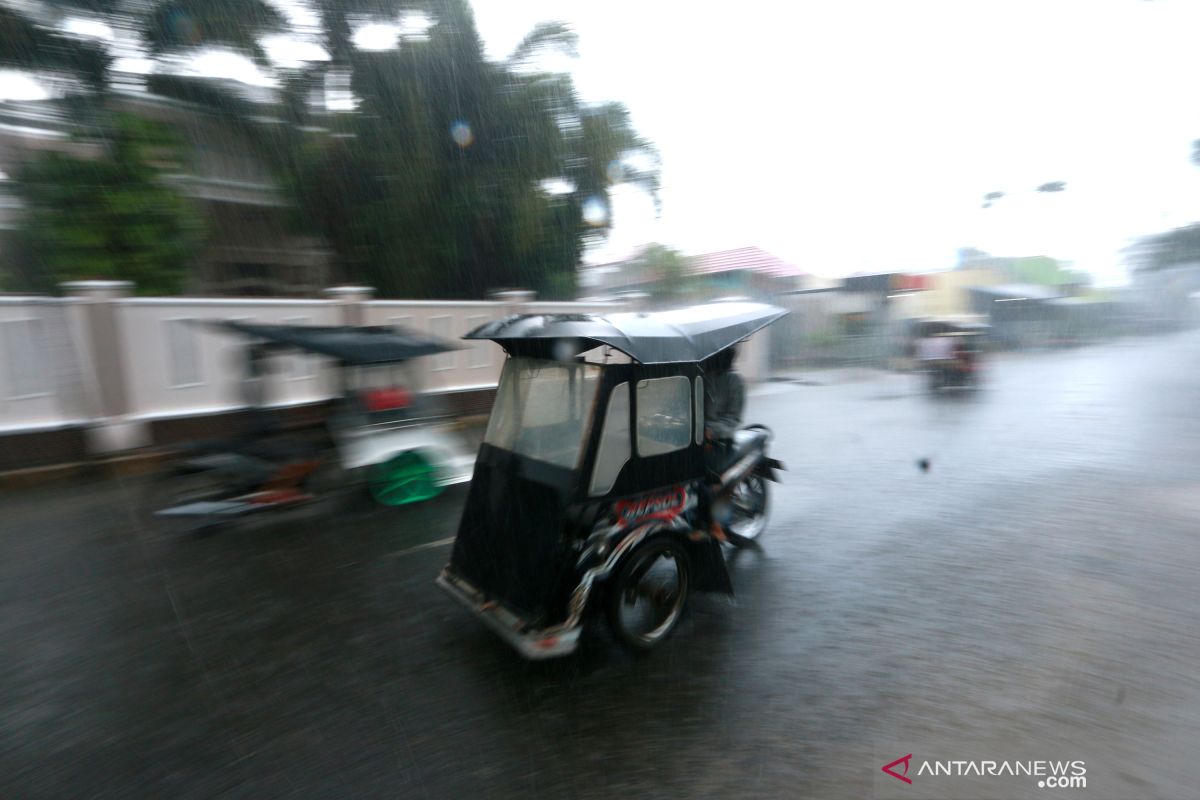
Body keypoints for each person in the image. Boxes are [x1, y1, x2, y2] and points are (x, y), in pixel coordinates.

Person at [701, 346, 745, 541]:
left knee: (713, 481)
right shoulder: (700, 378)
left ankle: (717, 525)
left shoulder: (734, 381)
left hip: (721, 440)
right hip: (697, 437)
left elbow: (733, 419)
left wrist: (712, 431)